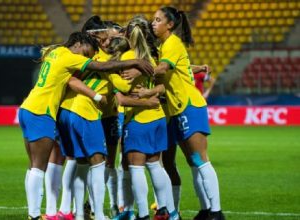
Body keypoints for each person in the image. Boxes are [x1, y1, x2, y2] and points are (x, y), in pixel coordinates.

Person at [19, 31, 154, 220]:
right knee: (40, 167)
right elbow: (102, 66)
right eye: (87, 52)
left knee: (34, 165)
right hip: (43, 111)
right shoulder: (69, 57)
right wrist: (135, 63)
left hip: (28, 107)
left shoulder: (56, 52)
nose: (86, 58)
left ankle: (45, 212)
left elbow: (74, 78)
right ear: (80, 43)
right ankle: (35, 215)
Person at [150, 6, 225, 220]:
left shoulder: (172, 43)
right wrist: (198, 67)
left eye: (157, 20)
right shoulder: (167, 45)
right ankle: (204, 210)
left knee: (201, 160)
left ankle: (217, 213)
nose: (153, 23)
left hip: (189, 106)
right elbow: (180, 68)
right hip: (177, 108)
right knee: (193, 162)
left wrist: (137, 67)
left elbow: (163, 69)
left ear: (170, 24)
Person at [112, 16, 179, 220]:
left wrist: (111, 72)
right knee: (154, 165)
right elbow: (161, 86)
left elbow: (122, 95)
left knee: (135, 167)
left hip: (139, 120)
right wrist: (150, 95)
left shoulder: (128, 57)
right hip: (158, 118)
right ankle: (165, 209)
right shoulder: (152, 57)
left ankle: (142, 214)